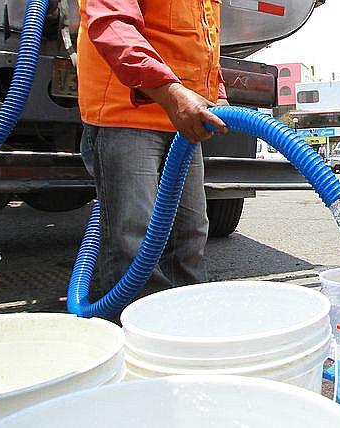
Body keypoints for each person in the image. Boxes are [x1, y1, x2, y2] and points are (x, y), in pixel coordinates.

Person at [77, 0, 229, 299]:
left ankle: (190, 322)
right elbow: (112, 24)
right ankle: (139, 328)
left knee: (190, 234)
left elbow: (204, 42)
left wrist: (217, 92)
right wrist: (171, 93)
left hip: (181, 121)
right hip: (127, 116)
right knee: (134, 237)